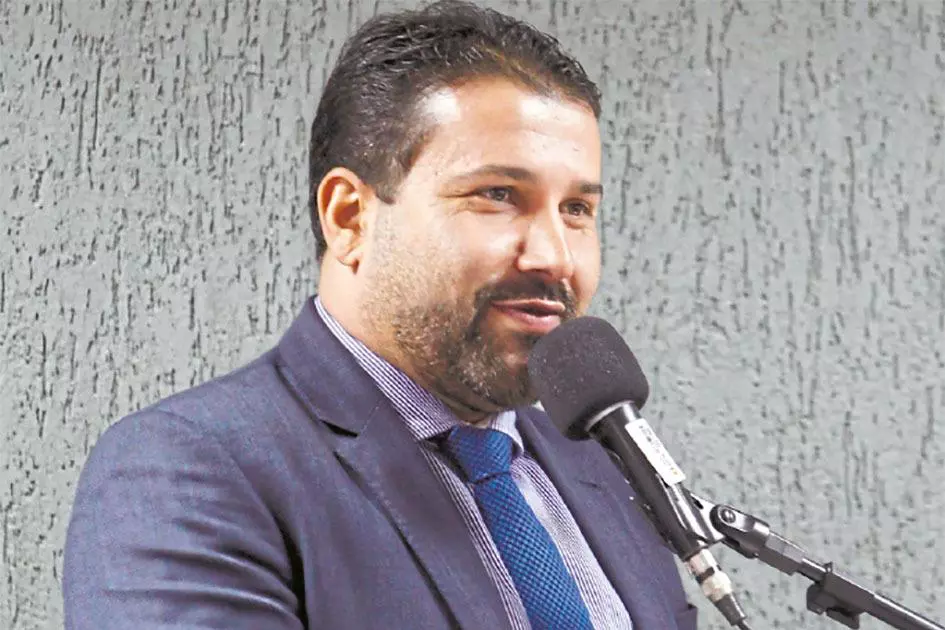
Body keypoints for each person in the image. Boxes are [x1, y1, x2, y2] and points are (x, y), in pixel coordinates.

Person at [63, 2, 697, 628]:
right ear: (349, 218)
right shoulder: (187, 471)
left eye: (577, 210)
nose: (555, 256)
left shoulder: (602, 466)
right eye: (498, 195)